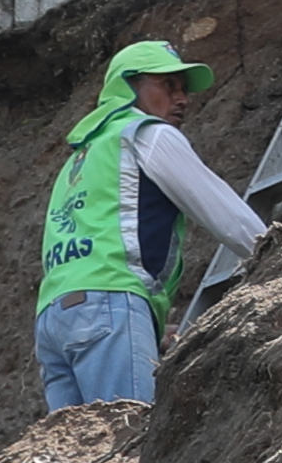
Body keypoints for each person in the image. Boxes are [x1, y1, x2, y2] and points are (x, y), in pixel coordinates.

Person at [31, 38, 269, 412]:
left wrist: (145, 329)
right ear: (129, 87)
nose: (182, 98)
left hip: (53, 322)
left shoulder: (81, 157)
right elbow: (222, 211)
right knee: (124, 446)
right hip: (109, 307)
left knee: (76, 459)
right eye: (168, 85)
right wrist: (280, 251)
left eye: (184, 89)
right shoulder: (146, 134)